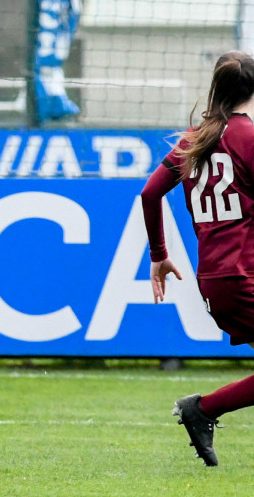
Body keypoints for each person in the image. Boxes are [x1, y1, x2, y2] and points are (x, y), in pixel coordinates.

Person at [141, 50, 254, 466]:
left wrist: (159, 254)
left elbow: (150, 194)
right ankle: (202, 409)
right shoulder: (248, 138)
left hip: (216, 277)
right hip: (245, 275)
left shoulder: (197, 139)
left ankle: (202, 410)